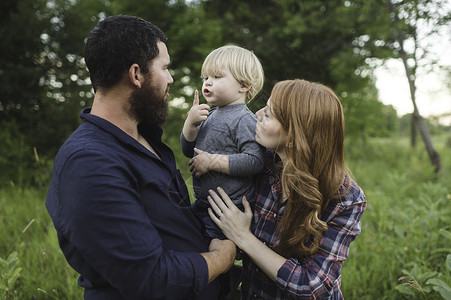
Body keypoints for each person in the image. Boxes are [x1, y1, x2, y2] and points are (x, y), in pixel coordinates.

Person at [45, 15, 236, 299]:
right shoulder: (89, 162)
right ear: (136, 74)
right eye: (165, 68)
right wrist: (222, 259)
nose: (170, 78)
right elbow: (150, 278)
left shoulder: (146, 139)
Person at [206, 79, 367, 299]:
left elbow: (311, 285)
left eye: (269, 114)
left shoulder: (345, 197)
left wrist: (244, 237)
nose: (257, 114)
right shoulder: (262, 165)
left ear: (293, 137)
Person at [181, 45, 265, 240]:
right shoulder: (209, 115)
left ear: (244, 85)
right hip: (204, 204)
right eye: (206, 78)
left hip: (229, 209)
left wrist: (212, 162)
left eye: (217, 77)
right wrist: (190, 124)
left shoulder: (244, 119)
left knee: (214, 253)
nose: (208, 83)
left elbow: (255, 160)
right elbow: (188, 150)